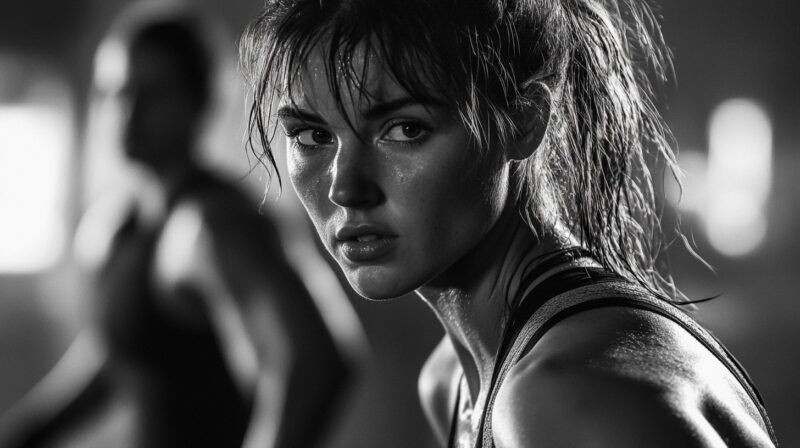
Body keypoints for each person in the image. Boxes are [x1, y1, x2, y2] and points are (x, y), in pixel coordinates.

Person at [238, 0, 779, 446]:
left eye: (404, 129)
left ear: (523, 120)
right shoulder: (453, 380)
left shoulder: (568, 397)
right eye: (311, 136)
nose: (343, 187)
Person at [0, 4, 362, 448]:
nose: (128, 112)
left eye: (152, 94)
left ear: (200, 102)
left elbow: (316, 363)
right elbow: (119, 351)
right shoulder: (117, 225)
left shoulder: (212, 226)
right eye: (116, 92)